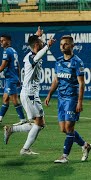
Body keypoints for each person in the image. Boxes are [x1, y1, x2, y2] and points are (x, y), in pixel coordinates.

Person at [3, 27, 55, 156]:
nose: (42, 42)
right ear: (37, 45)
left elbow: (34, 44)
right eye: (41, 42)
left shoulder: (30, 55)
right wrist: (47, 46)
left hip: (30, 94)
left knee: (38, 123)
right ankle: (24, 148)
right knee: (39, 123)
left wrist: (36, 35)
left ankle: (12, 129)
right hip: (30, 94)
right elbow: (37, 55)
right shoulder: (32, 57)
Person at [45, 35, 91, 163]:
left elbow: (81, 83)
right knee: (64, 129)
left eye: (65, 44)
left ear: (72, 46)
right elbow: (56, 80)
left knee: (69, 127)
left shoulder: (77, 62)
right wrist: (49, 94)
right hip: (61, 98)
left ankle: (64, 156)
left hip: (72, 98)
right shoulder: (58, 61)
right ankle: (85, 145)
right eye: (61, 44)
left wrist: (80, 102)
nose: (62, 46)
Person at [0, 34, 26, 125]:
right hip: (12, 78)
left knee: (14, 99)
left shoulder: (7, 51)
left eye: (3, 40)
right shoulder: (14, 51)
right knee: (5, 98)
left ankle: (23, 119)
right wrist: (18, 78)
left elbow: (3, 65)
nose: (1, 42)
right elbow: (18, 65)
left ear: (8, 41)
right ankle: (0, 118)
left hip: (10, 78)